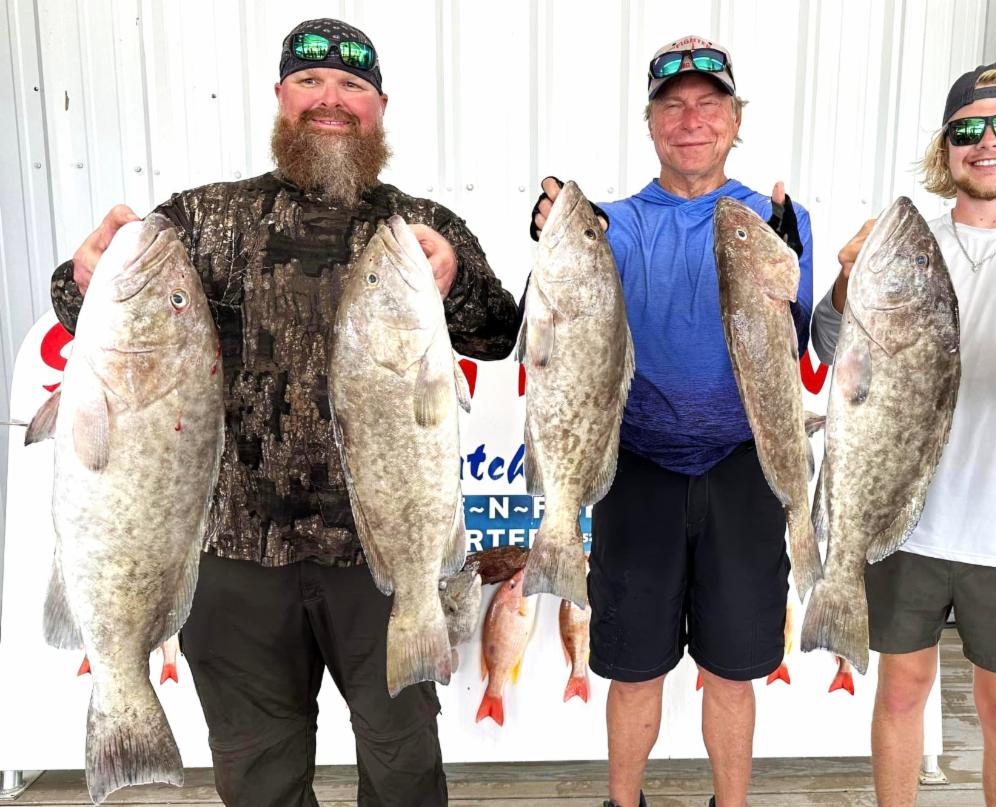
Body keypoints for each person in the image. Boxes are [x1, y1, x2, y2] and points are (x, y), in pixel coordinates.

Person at [50, 18, 519, 807]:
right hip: (234, 555)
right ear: (280, 96)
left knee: (405, 769)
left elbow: (498, 331)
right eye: (309, 81)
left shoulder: (417, 229)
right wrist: (84, 272)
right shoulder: (201, 220)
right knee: (259, 777)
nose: (329, 99)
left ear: (379, 107)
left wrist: (455, 278)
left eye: (352, 85)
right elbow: (86, 310)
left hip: (382, 554)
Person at [530, 35, 814, 807]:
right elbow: (561, 312)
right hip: (638, 468)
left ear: (735, 119)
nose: (691, 120)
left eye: (709, 104)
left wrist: (794, 272)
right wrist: (554, 228)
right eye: (673, 106)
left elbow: (798, 342)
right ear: (651, 122)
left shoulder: (774, 217)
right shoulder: (614, 224)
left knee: (732, 670)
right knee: (633, 669)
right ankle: (623, 803)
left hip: (744, 467)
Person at [810, 62, 996, 807]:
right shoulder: (908, 241)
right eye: (967, 130)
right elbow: (831, 348)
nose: (987, 142)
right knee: (900, 694)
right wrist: (845, 284)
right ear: (945, 146)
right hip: (905, 518)